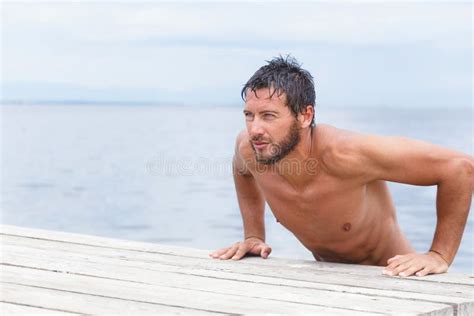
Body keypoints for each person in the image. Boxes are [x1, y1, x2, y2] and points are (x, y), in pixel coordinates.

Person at [209, 55, 473, 277]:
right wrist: (254, 235)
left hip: (394, 279)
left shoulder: (346, 154)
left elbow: (459, 167)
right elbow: (241, 169)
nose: (255, 129)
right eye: (249, 115)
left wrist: (439, 254)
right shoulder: (250, 150)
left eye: (268, 116)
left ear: (305, 115)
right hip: (330, 281)